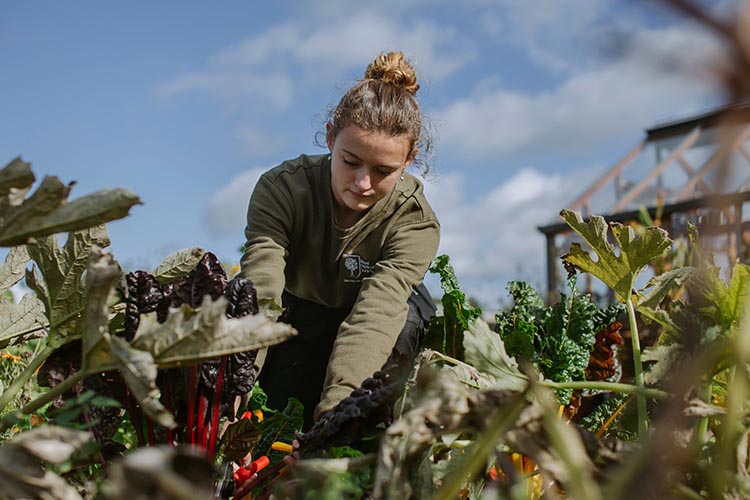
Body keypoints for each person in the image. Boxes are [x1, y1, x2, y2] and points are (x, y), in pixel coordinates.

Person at [240, 51, 440, 429]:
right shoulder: (283, 189)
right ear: (330, 138)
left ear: (409, 160)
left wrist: (338, 415)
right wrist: (233, 388)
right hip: (302, 311)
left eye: (383, 171)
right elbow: (260, 292)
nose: (362, 184)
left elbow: (374, 315)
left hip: (383, 321)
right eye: (350, 162)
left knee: (400, 332)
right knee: (281, 404)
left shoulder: (415, 222)